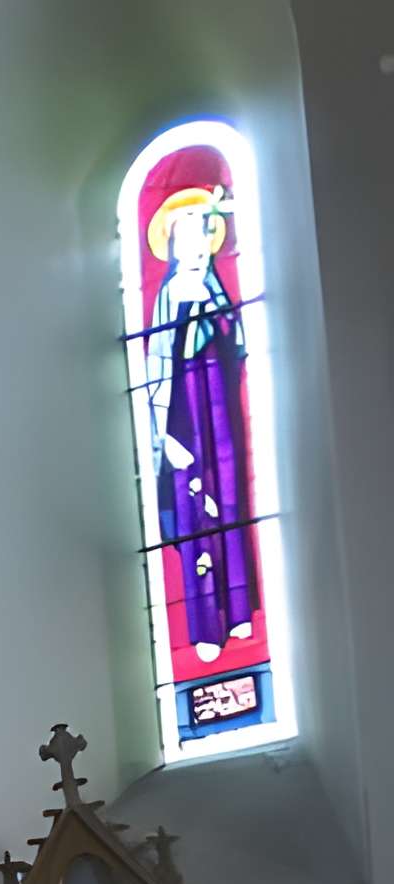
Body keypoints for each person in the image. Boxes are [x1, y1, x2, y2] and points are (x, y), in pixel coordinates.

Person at [140, 185, 260, 667]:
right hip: (185, 426)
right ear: (170, 244)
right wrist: (163, 434)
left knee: (232, 510)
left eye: (198, 234)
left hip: (222, 425)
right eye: (181, 236)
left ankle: (239, 612)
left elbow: (237, 344)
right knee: (196, 518)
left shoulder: (215, 288)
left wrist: (222, 323)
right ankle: (207, 625)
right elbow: (156, 366)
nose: (190, 245)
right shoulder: (170, 295)